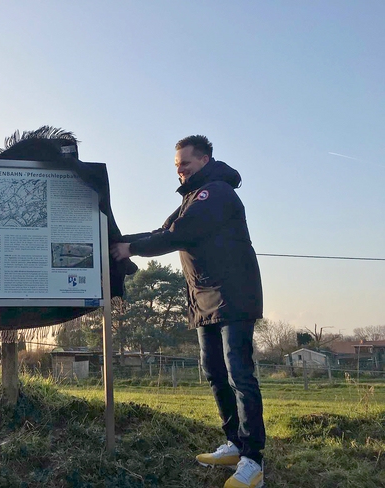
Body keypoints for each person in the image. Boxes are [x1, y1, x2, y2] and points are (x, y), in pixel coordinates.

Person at [111, 135, 265, 488]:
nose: (179, 170)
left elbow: (179, 234)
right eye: (176, 165)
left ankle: (253, 461)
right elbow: (163, 231)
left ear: (205, 159)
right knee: (213, 371)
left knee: (239, 374)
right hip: (203, 298)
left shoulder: (216, 192)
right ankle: (235, 443)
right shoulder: (192, 198)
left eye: (185, 163)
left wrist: (130, 248)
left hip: (233, 296)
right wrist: (120, 243)